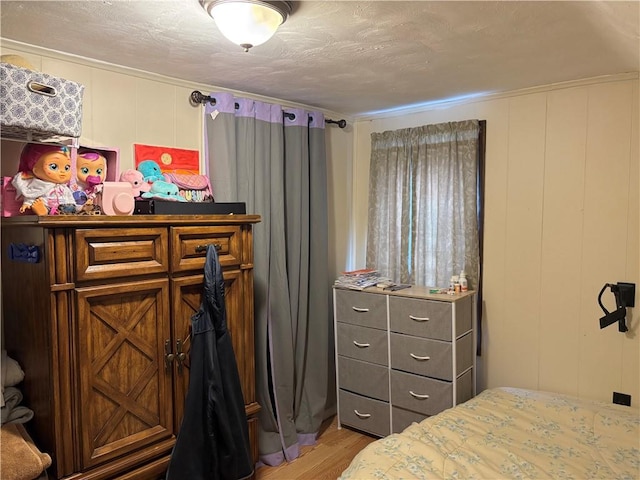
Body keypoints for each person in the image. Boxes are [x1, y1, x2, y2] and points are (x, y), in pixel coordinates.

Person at [11, 143, 77, 215]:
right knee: (43, 206)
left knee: (70, 207)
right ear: (35, 169)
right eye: (53, 167)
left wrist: (73, 204)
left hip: (64, 206)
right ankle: (45, 211)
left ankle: (65, 211)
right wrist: (27, 203)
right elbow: (32, 194)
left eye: (67, 168)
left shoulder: (63, 187)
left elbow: (69, 196)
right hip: (49, 206)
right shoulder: (39, 184)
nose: (62, 171)